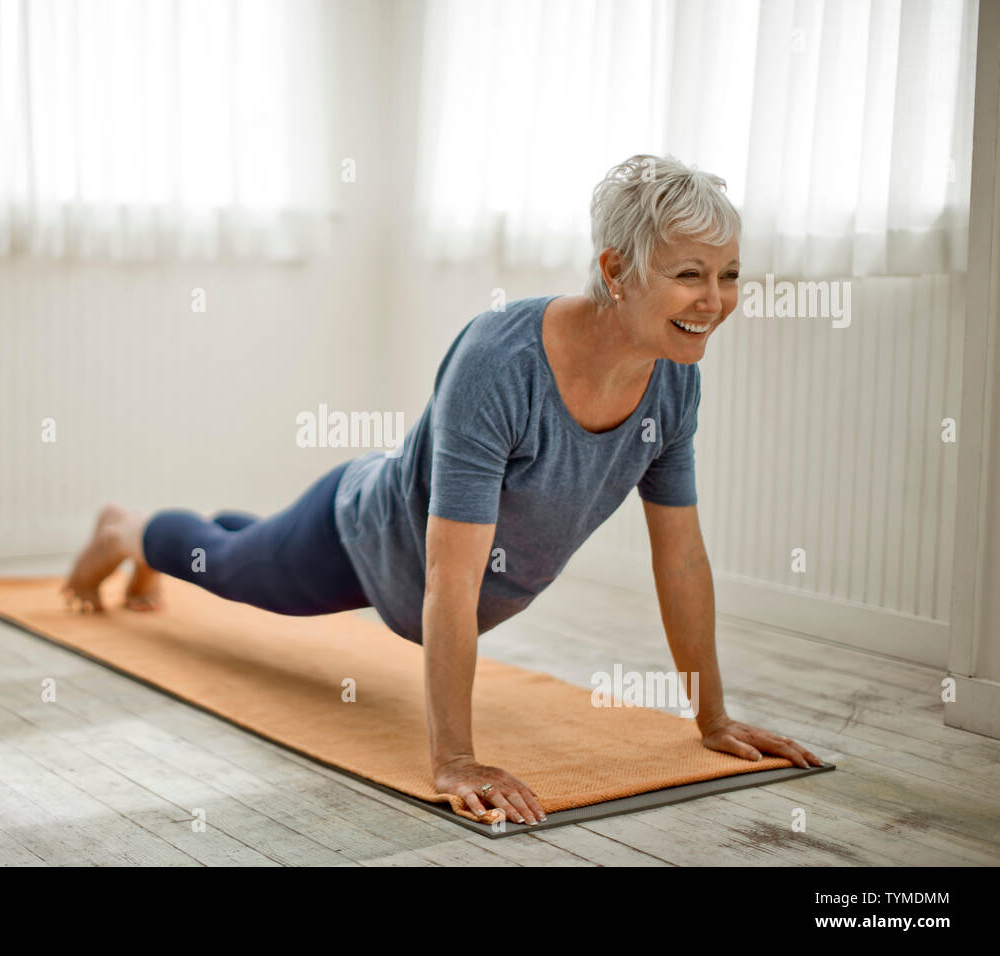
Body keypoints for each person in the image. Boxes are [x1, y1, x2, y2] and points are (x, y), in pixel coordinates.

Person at [62, 154, 824, 826]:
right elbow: (451, 577)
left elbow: (682, 558)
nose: (715, 301)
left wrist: (712, 717)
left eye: (728, 276)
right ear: (617, 271)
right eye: (689, 275)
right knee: (228, 569)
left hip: (412, 563)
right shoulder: (501, 361)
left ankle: (218, 530)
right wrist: (455, 759)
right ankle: (125, 531)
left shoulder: (674, 387)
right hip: (361, 538)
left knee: (247, 543)